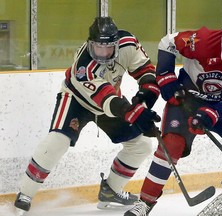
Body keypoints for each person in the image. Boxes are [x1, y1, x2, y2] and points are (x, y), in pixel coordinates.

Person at [124, 6, 222, 216]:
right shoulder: (202, 40)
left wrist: (209, 115)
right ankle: (144, 203)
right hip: (186, 98)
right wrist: (166, 77)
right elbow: (168, 42)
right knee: (171, 145)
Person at [14, 16, 161, 213]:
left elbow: (145, 70)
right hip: (76, 100)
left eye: (107, 47)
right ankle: (25, 193)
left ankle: (111, 191)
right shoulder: (83, 67)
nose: (102, 53)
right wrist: (135, 114)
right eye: (97, 47)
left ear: (116, 44)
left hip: (111, 101)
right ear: (90, 44)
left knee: (141, 144)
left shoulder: (128, 44)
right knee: (57, 141)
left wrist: (145, 96)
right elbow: (106, 99)